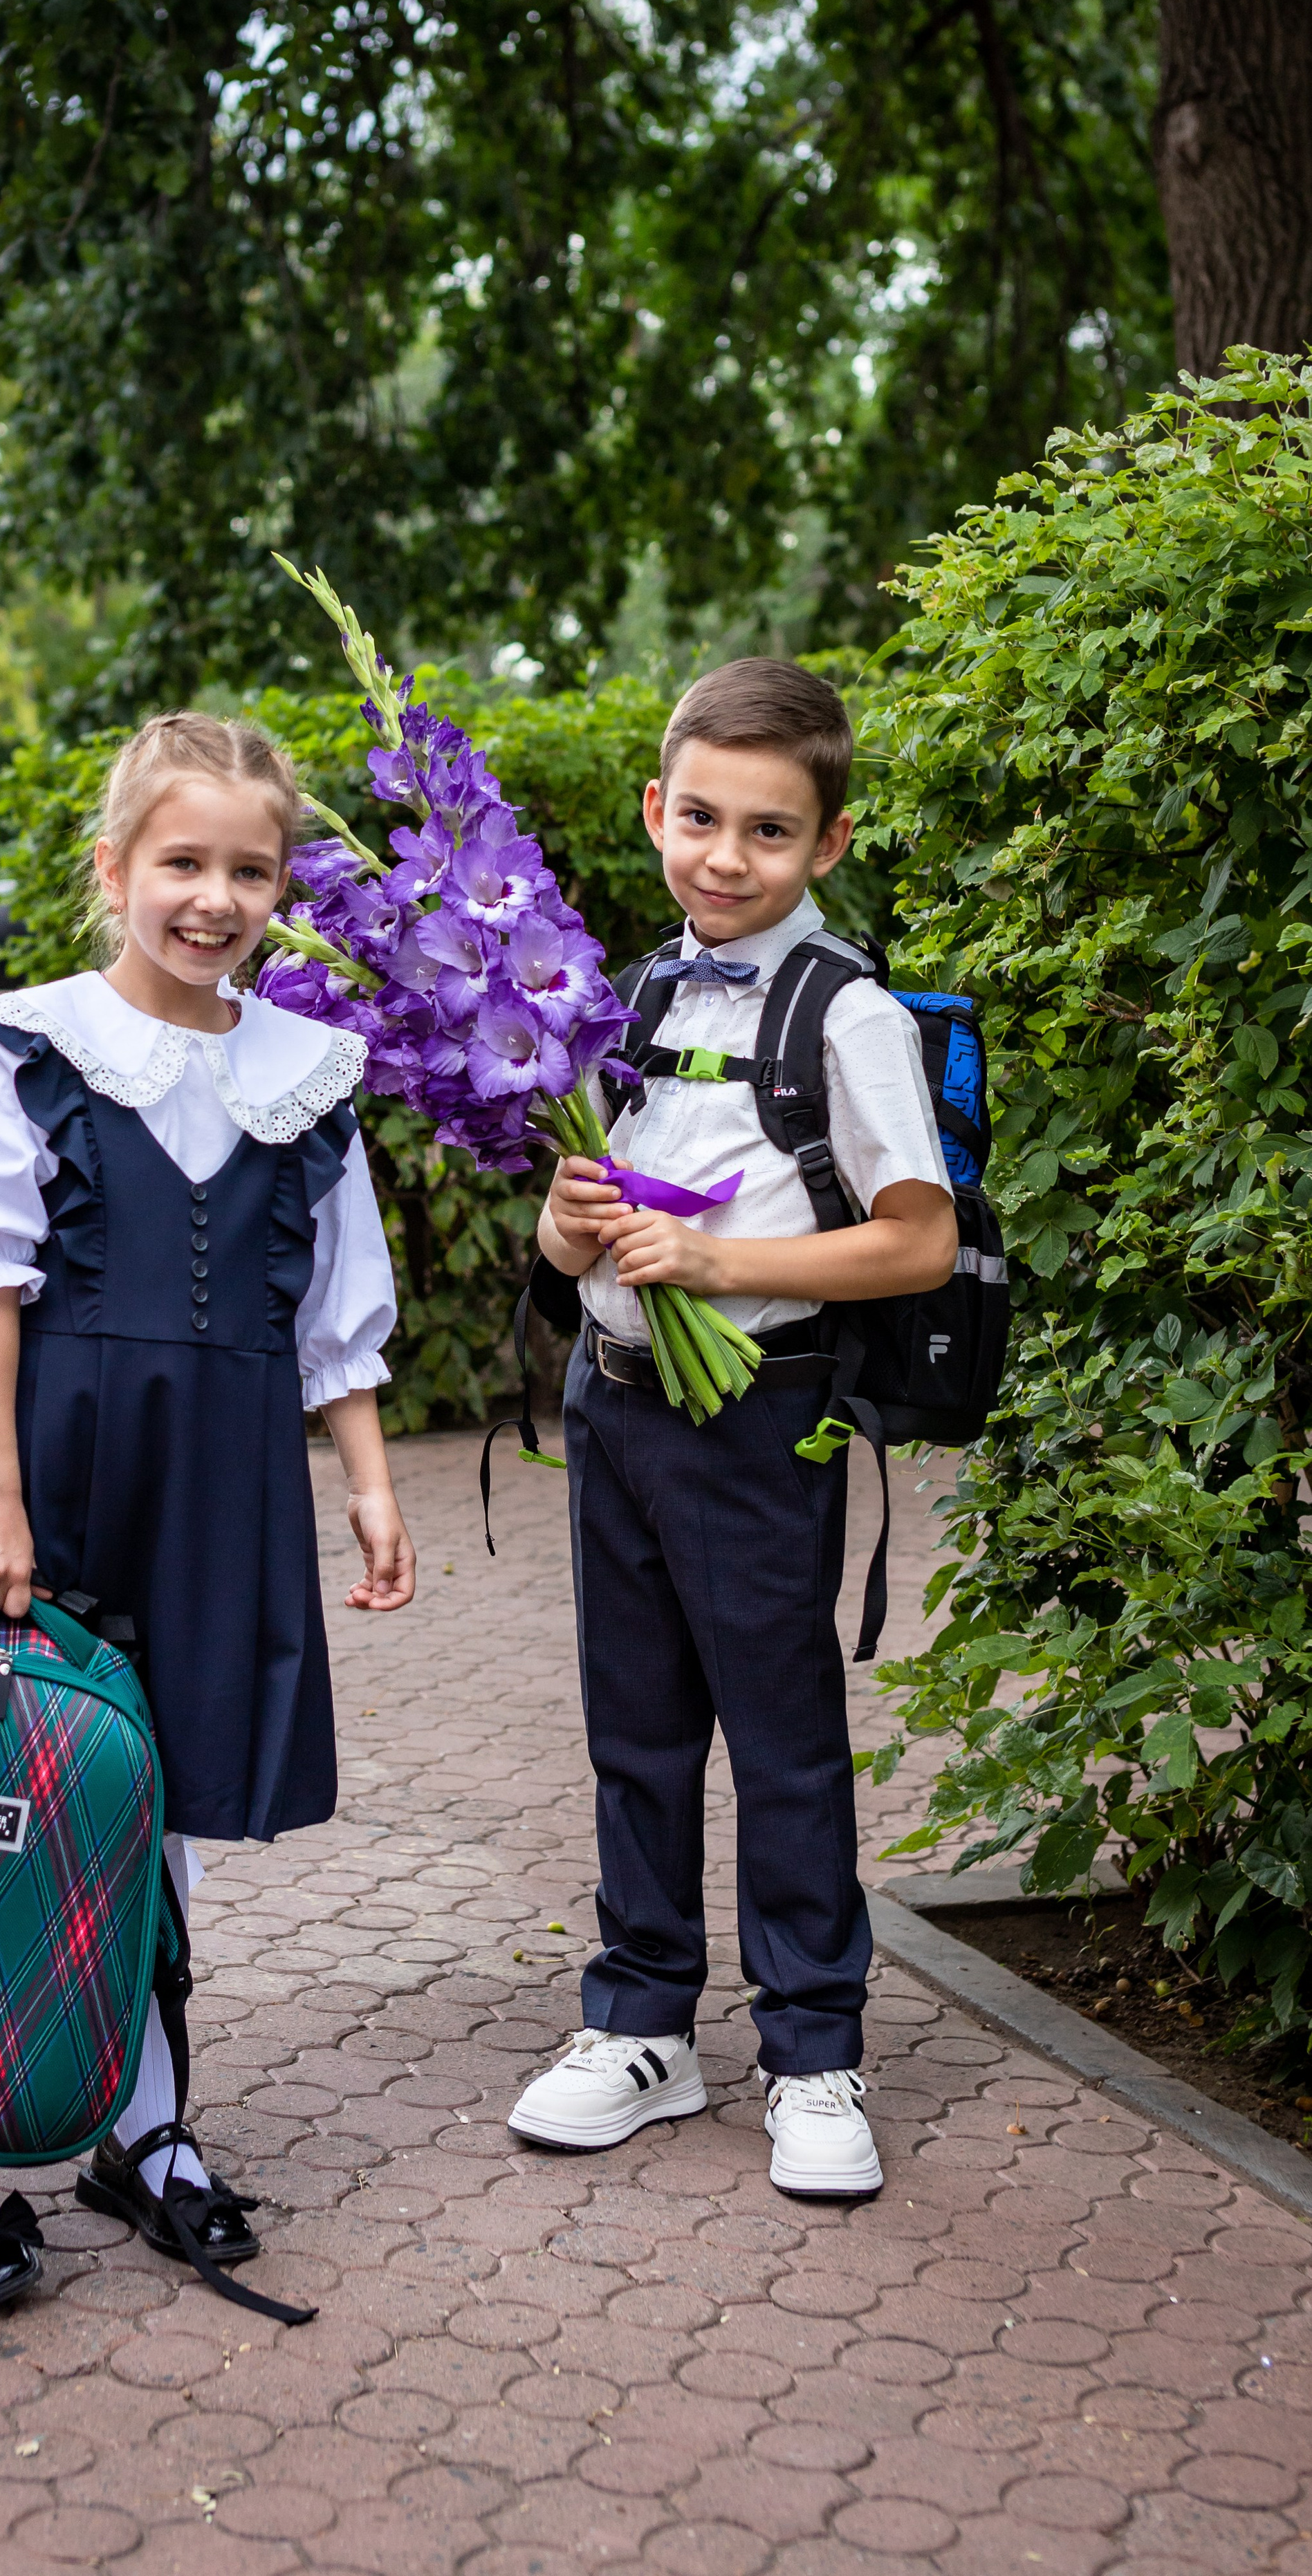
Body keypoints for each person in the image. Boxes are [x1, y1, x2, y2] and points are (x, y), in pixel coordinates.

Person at [0, 712, 415, 2306]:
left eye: (248, 869)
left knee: (158, 1799)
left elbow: (339, 1313)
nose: (213, 895)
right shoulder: (32, 1046)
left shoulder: (307, 1076)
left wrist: (375, 1492)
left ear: (277, 891)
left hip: (225, 1485)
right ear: (115, 869)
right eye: (181, 861)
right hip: (44, 1462)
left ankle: (144, 2125)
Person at [507, 660, 957, 2199]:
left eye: (766, 831)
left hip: (759, 1420)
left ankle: (813, 2052)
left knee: (778, 1744)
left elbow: (911, 1239)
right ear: (653, 809)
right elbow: (582, 1242)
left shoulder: (851, 1015)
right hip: (615, 1408)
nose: (722, 854)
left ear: (826, 843)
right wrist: (573, 1235)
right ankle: (641, 2025)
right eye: (697, 817)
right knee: (632, 1732)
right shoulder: (623, 995)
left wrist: (715, 1264)